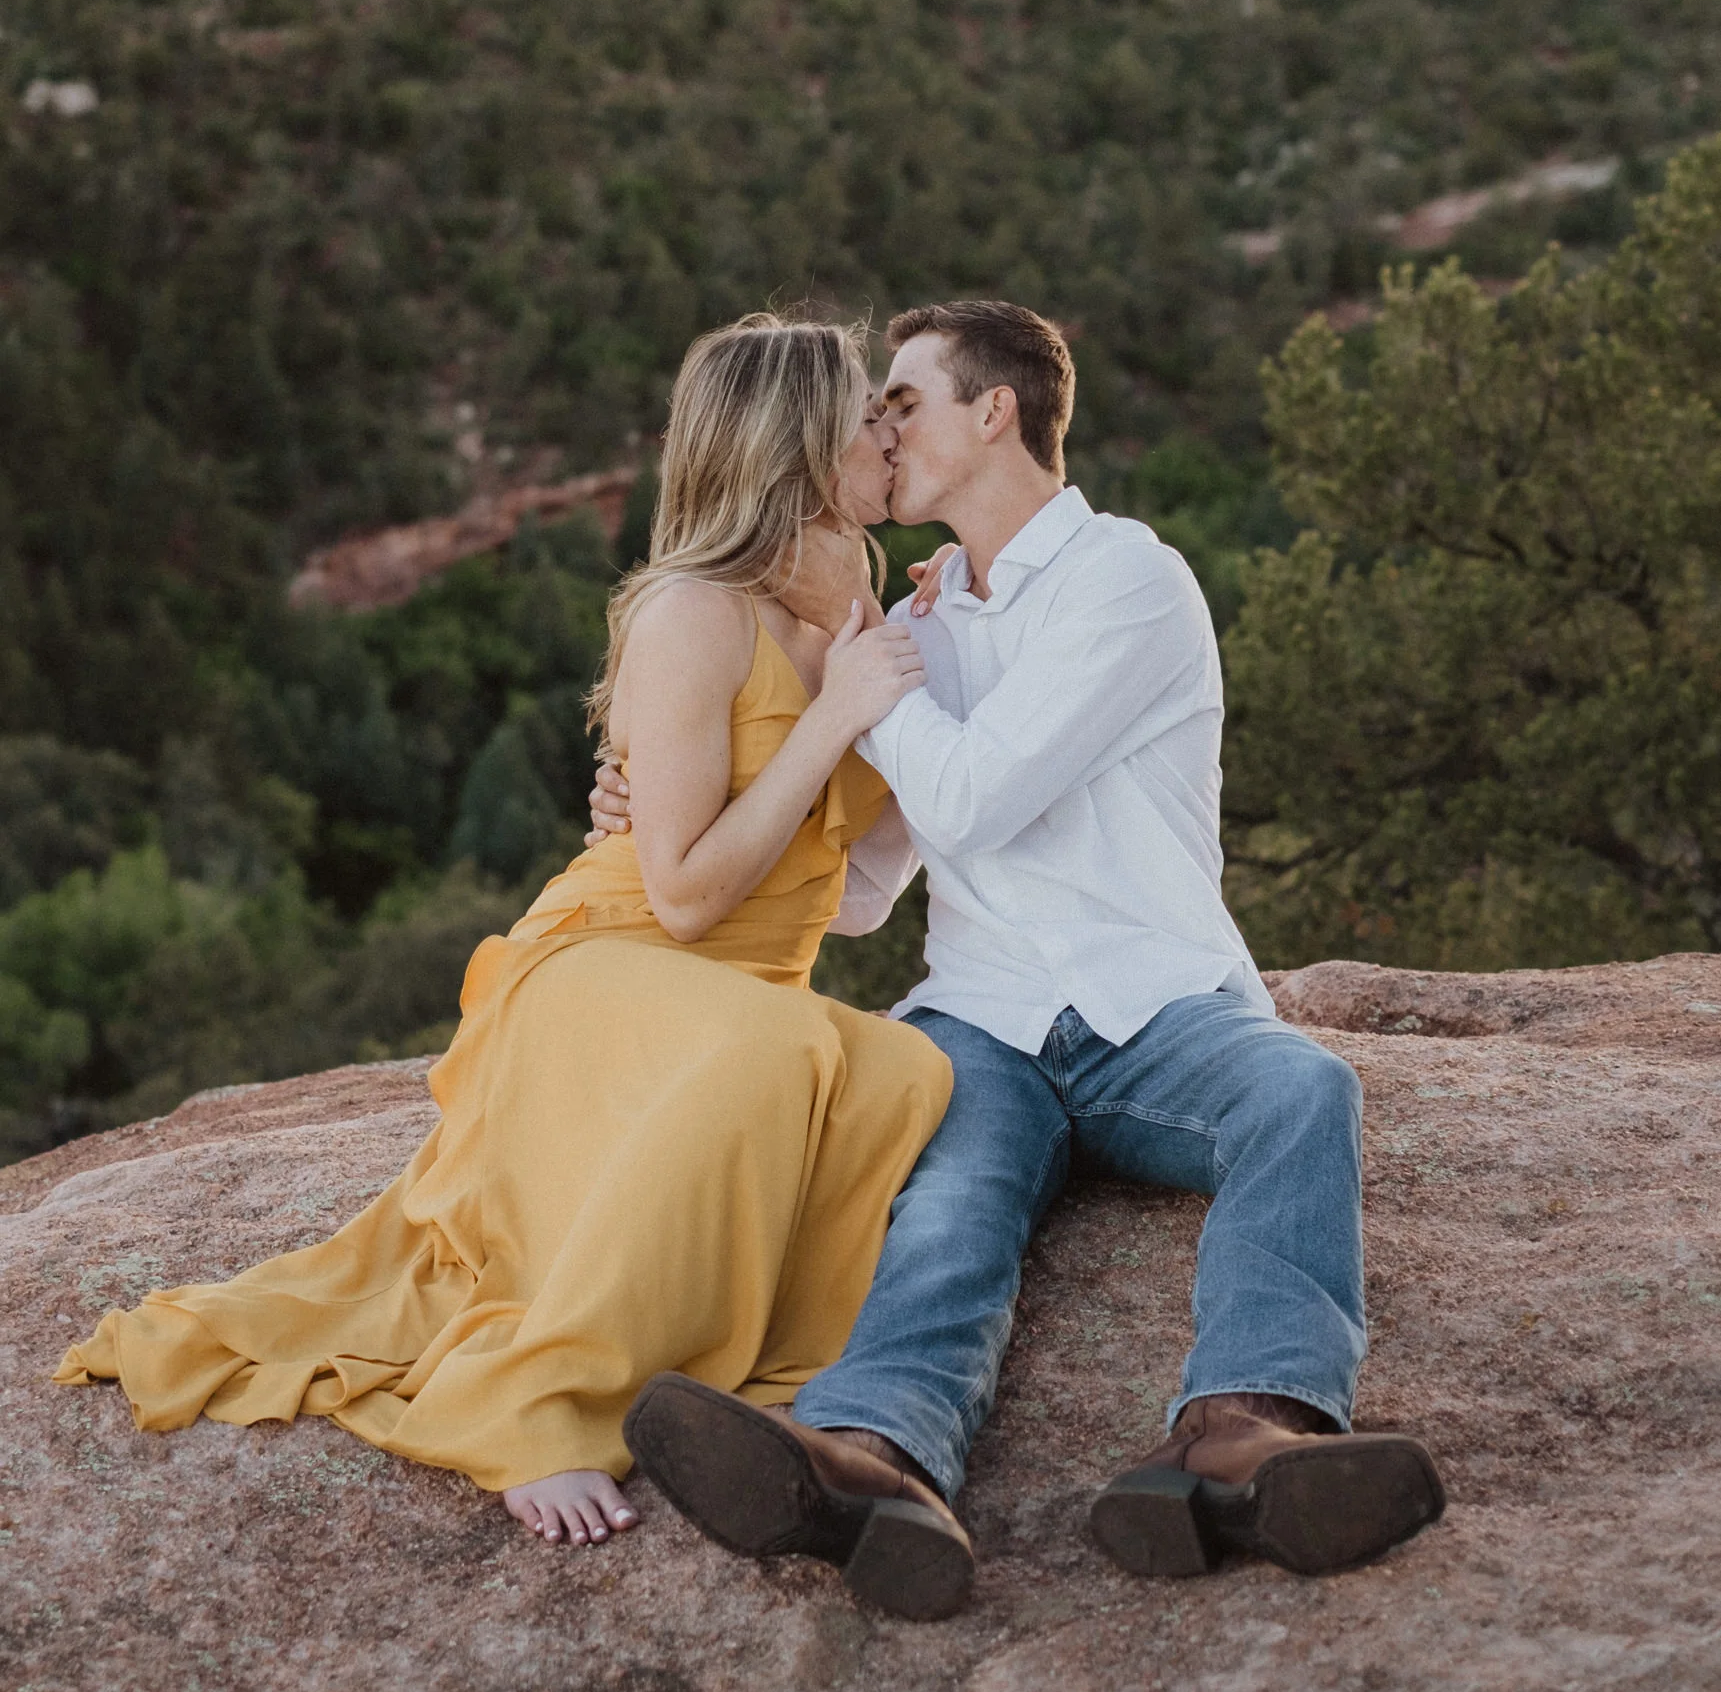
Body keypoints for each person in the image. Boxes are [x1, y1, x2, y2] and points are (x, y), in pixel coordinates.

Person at [55, 314, 964, 1602]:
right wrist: (835, 720)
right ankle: (534, 1400)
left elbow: (852, 895)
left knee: (903, 1075)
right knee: (778, 1046)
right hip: (610, 963)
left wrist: (925, 701)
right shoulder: (694, 613)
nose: (888, 437)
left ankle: (738, 1377)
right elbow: (687, 896)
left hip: (743, 991)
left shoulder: (860, 597)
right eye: (869, 417)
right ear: (799, 443)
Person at [600, 300, 1445, 1617]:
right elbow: (868, 890)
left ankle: (1243, 1436)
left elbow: (979, 797)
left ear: (993, 412)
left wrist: (875, 673)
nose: (879, 430)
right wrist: (668, 811)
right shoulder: (920, 629)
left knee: (1301, 1090)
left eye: (905, 402)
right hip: (983, 1014)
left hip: (1151, 1009)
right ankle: (874, 1459)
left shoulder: (1126, 578)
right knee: (953, 1196)